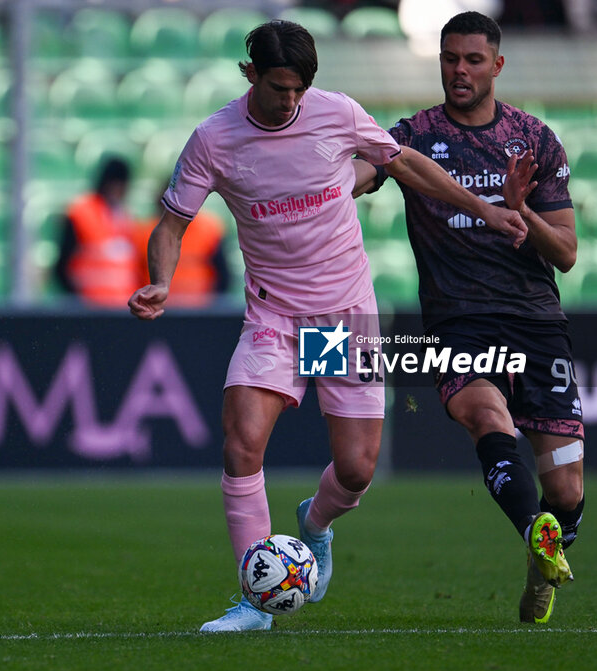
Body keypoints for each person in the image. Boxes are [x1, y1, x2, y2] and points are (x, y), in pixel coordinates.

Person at [127, 20, 526, 633]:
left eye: (299, 90)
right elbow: (173, 226)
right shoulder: (214, 139)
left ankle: (314, 524)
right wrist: (162, 280)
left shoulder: (336, 114)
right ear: (250, 73)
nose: (290, 102)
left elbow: (407, 166)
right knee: (241, 441)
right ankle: (254, 602)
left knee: (358, 469)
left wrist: (485, 211)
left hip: (342, 315)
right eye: (279, 88)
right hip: (273, 315)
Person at [358, 11, 584, 625]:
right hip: (459, 321)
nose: (460, 70)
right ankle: (534, 530)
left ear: (497, 65)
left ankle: (546, 553)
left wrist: (520, 211)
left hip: (536, 322)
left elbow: (564, 253)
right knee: (484, 413)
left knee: (567, 491)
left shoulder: (533, 139)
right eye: (450, 58)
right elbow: (365, 171)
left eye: (473, 60)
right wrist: (328, 183)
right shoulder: (415, 136)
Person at [55, 157, 140, 307]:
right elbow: (62, 266)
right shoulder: (81, 212)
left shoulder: (124, 216)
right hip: (89, 307)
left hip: (121, 307)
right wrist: (77, 299)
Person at [132, 182, 231, 307]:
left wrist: (213, 306)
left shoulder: (209, 229)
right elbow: (136, 273)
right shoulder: (146, 231)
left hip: (199, 310)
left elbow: (223, 274)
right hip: (158, 310)